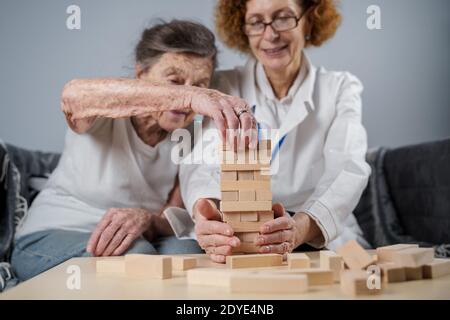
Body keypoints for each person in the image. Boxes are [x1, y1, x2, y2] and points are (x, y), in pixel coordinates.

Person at [11, 20, 255, 281]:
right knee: (137, 260)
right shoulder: (103, 109)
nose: (188, 97)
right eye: (175, 80)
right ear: (141, 74)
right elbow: (71, 95)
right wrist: (188, 96)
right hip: (53, 232)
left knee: (188, 253)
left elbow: (169, 215)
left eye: (199, 84)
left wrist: (147, 219)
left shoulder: (191, 135)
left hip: (139, 234)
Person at [180, 0, 371, 263]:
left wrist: (302, 227)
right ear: (242, 29)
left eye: (283, 18)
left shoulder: (339, 88)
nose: (270, 34)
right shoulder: (222, 85)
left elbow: (347, 168)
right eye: (257, 22)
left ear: (309, 20)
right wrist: (208, 212)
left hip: (317, 230)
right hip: (238, 232)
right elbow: (200, 164)